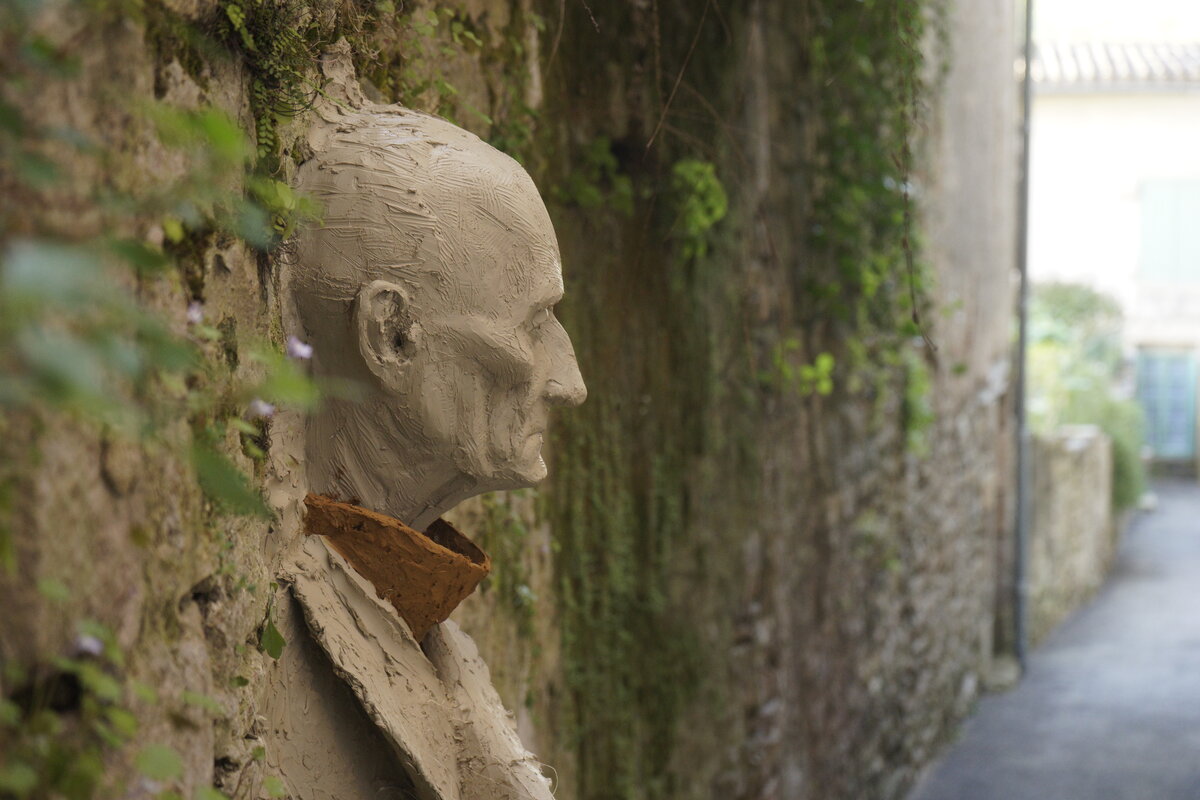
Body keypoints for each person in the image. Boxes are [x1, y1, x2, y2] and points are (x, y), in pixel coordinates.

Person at [263, 101, 585, 800]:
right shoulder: (269, 659)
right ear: (392, 337)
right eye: (533, 326)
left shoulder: (426, 626)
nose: (570, 383)